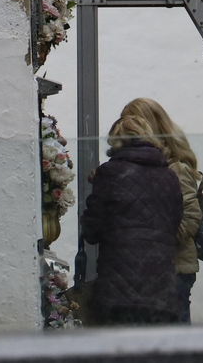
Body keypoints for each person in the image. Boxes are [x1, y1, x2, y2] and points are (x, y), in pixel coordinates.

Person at [79, 103, 184, 325]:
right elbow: (174, 225)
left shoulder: (108, 173)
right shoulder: (170, 176)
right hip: (160, 289)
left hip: (117, 290)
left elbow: (92, 230)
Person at [119, 97, 203, 323]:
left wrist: (157, 241)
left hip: (175, 268)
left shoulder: (177, 168)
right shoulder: (138, 166)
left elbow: (192, 216)